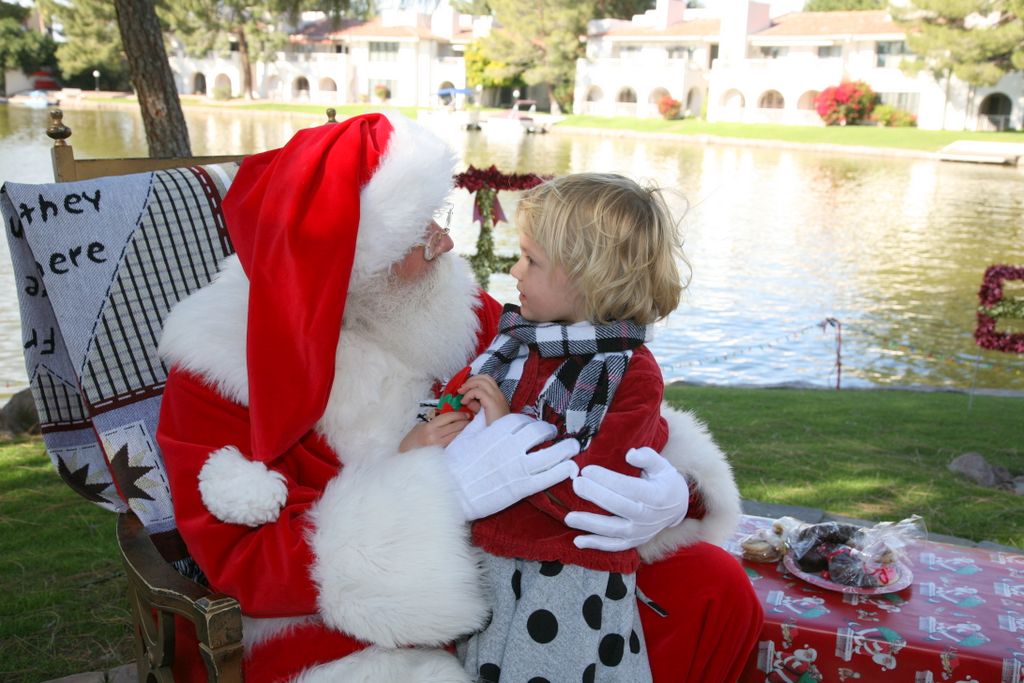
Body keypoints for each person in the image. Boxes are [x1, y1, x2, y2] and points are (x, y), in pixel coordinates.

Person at [157, 112, 762, 683]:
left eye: (438, 216)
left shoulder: (456, 312)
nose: (446, 243)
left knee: (711, 586)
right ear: (346, 263)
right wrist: (443, 496)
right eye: (420, 235)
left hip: (522, 562)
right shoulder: (219, 364)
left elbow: (600, 402)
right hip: (351, 618)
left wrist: (670, 490)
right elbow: (246, 562)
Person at [436, 172, 682, 682]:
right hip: (489, 572)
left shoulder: (631, 373)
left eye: (531, 259)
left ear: (588, 277)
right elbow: (448, 421)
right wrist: (444, 426)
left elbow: (596, 498)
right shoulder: (513, 347)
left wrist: (505, 433)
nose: (515, 269)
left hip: (566, 588)